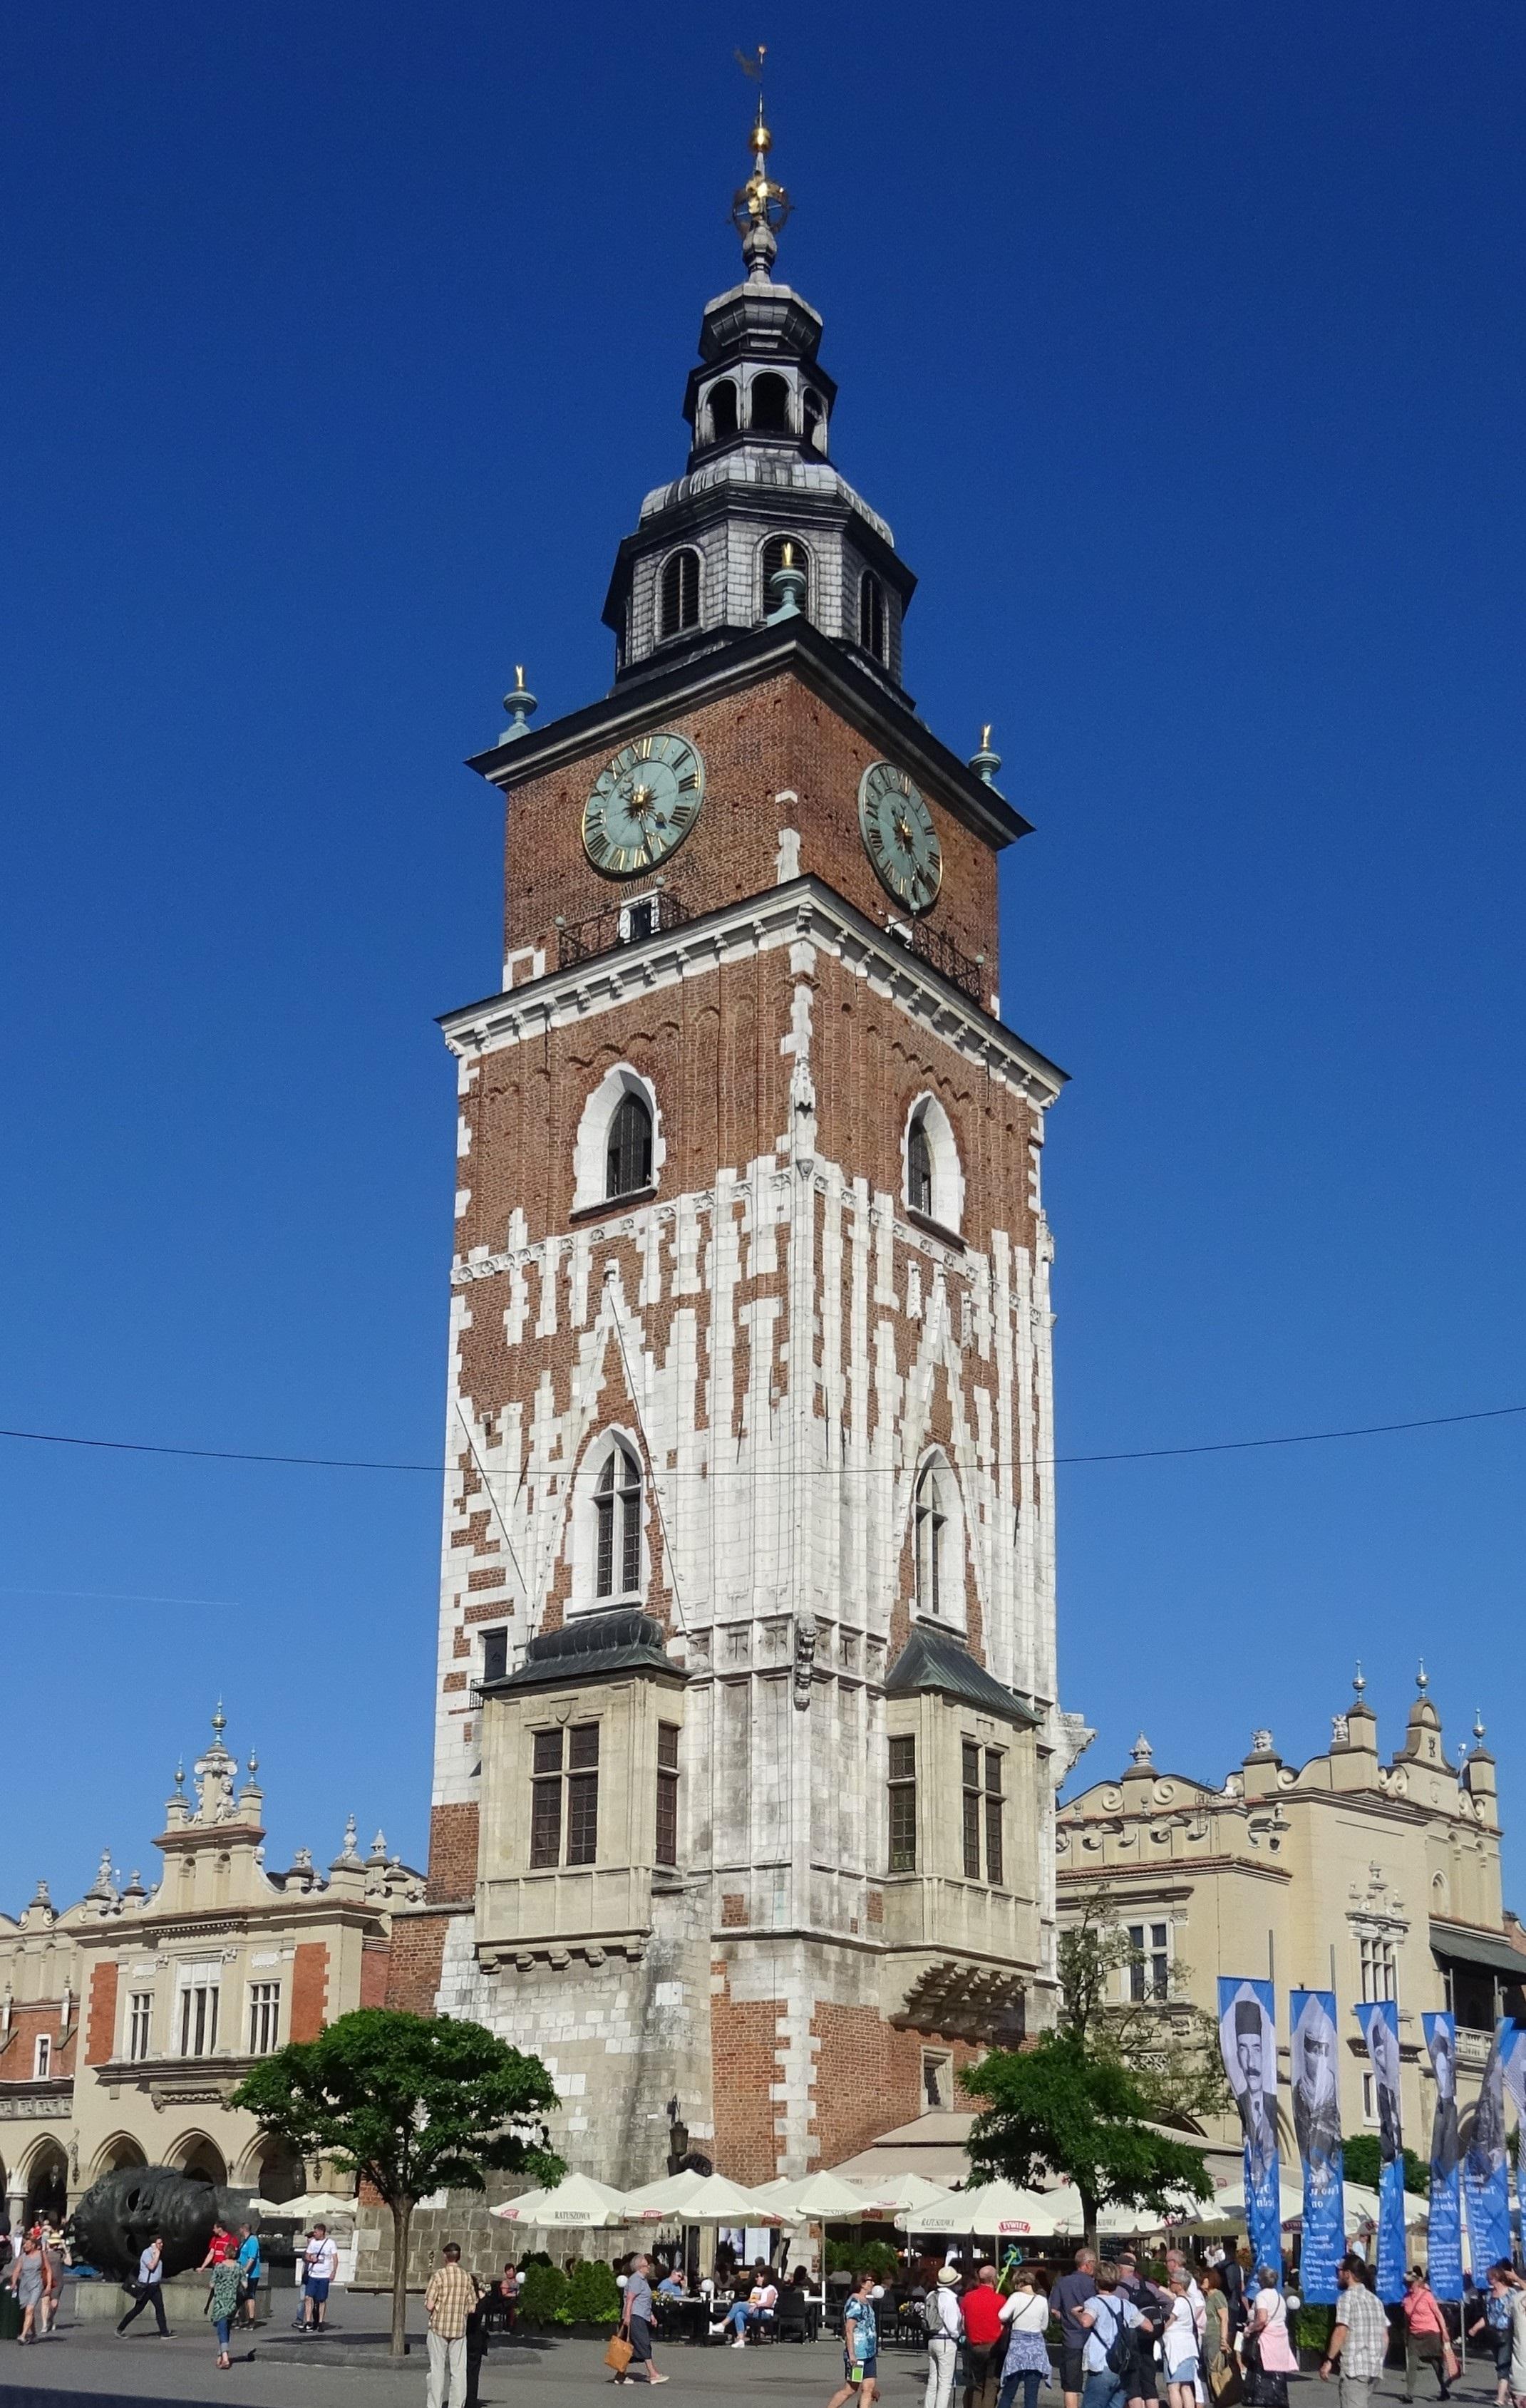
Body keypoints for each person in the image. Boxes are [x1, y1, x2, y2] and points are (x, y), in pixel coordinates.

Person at [1320, 2254, 1392, 2408]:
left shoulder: (1346, 2299)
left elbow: (1341, 2330)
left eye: (1338, 2270)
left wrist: (1329, 2360)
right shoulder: (1375, 2300)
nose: (1337, 2275)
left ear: (1348, 2274)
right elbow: (1385, 2336)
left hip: (1355, 2368)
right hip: (1374, 2368)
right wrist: (1379, 2359)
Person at [1076, 2263, 1145, 2408]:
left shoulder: (1094, 2303)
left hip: (1102, 2364)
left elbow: (1086, 2322)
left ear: (1096, 2282)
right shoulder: (1126, 2305)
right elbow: (1149, 2326)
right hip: (1122, 2366)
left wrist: (1076, 2313)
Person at [425, 2242, 477, 2408]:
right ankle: (456, 2405)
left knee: (437, 2369)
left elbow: (430, 2305)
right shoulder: (466, 2277)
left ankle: (435, 2405)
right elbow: (472, 2306)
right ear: (459, 2257)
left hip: (439, 2327)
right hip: (459, 2328)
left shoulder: (439, 2276)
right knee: (459, 2371)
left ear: (445, 2256)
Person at [996, 2265, 1051, 2408]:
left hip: (1018, 2350)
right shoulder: (1042, 2300)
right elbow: (1044, 2326)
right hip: (1036, 2350)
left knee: (1008, 2394)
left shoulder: (1016, 2297)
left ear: (1019, 2283)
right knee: (1031, 2396)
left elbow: (1002, 2315)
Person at [823, 2271, 880, 2408]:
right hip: (858, 2354)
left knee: (869, 2387)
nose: (873, 2283)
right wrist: (852, 2354)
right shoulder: (854, 2303)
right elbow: (849, 2330)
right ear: (861, 2283)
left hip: (870, 2353)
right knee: (851, 2389)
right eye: (870, 2280)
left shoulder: (866, 2301)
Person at [1053, 2247, 1100, 2408]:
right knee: (1095, 2384)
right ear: (1087, 2265)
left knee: (1071, 2387)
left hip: (1071, 2340)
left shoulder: (1062, 2282)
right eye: (1094, 2264)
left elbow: (1054, 2310)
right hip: (1093, 2340)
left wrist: (1065, 2317)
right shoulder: (1094, 2284)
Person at [1245, 2266, 1298, 2408]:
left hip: (1267, 2340)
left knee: (1264, 2377)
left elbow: (1262, 2319)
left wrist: (1250, 2328)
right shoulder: (1279, 2296)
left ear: (1261, 2281)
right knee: (1277, 2375)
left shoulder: (1262, 2296)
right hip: (1280, 2339)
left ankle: (1265, 2401)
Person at [1467, 2260, 1515, 2408]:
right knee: (1501, 2365)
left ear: (1498, 2277)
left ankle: (1500, 2399)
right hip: (1493, 2334)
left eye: (1491, 2278)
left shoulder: (1512, 2294)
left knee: (1503, 2366)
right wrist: (1475, 2328)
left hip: (1507, 2333)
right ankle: (1512, 2395)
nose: (1489, 2280)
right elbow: (1488, 2318)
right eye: (1488, 2278)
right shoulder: (1488, 2296)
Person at [1400, 2268, 1451, 2402]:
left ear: (1417, 2282)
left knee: (1435, 2363)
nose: (1408, 2286)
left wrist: (1444, 2332)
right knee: (1412, 2363)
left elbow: (1438, 2314)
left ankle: (1444, 2390)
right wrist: (1406, 2334)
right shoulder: (1406, 2298)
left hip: (1431, 2333)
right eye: (1406, 2284)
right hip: (1414, 2335)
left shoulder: (1427, 2296)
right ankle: (1409, 2394)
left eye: (1410, 2283)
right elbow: (1407, 2318)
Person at [962, 2263, 1007, 2408]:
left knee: (977, 2386)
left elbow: (964, 2323)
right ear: (994, 2280)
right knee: (991, 2386)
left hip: (975, 2346)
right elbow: (1004, 2324)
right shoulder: (1000, 2299)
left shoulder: (968, 2298)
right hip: (994, 2346)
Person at [116, 2230, 172, 2339]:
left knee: (159, 2308)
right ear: (154, 2244)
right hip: (147, 2286)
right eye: (159, 2243)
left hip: (155, 2286)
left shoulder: (157, 2253)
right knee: (137, 2309)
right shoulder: (147, 2253)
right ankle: (120, 2329)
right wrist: (156, 2256)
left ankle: (164, 2332)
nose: (162, 2245)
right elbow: (151, 2266)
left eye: (162, 2243)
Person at [1162, 2271, 1204, 2408]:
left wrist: (1159, 2329)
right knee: (1186, 2386)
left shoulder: (1178, 2303)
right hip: (1189, 2346)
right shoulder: (1191, 2300)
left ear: (1180, 2285)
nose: (1169, 2283)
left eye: (1172, 2282)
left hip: (1176, 2347)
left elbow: (1170, 2321)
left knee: (1173, 2387)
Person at [925, 2266, 964, 2408]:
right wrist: (959, 2334)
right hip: (946, 2340)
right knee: (945, 2383)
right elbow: (953, 2326)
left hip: (932, 2339)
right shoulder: (949, 2298)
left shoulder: (931, 2295)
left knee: (933, 2381)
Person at [6, 2231, 47, 2345]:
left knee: (30, 2310)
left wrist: (48, 2287)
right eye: (24, 2244)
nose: (25, 2246)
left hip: (36, 2284)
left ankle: (23, 2336)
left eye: (27, 2244)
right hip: (25, 2285)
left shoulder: (41, 2254)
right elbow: (16, 2271)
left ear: (33, 2245)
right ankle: (34, 2334)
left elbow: (48, 2270)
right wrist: (14, 2283)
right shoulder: (23, 2257)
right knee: (29, 2311)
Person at [207, 2248, 242, 2371]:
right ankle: (220, 2356)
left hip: (221, 2302)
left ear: (225, 2254)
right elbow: (245, 2284)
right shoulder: (238, 2267)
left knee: (222, 2329)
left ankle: (226, 2357)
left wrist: (220, 2283)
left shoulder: (219, 2267)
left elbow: (211, 2284)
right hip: (232, 2302)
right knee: (226, 2328)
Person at [302, 2221, 339, 2332]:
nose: (314, 2234)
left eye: (316, 2232)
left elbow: (335, 2259)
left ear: (322, 2232)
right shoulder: (313, 2243)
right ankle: (308, 2321)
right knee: (308, 2297)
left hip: (324, 2275)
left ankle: (321, 2321)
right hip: (313, 2274)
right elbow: (307, 2255)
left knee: (321, 2299)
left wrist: (333, 2272)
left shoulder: (330, 2243)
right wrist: (310, 2259)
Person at [1200, 2267, 1229, 2397]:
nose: (1201, 2282)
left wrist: (1223, 2339)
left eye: (1204, 2279)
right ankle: (1214, 2397)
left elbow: (1224, 2318)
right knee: (1209, 2368)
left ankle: (1221, 2397)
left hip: (1215, 2336)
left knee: (1215, 2369)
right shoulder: (1206, 2297)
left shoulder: (1217, 2295)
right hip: (1206, 2336)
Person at [237, 2221, 262, 2329]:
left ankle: (251, 2320)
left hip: (251, 2274)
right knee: (241, 2295)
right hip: (243, 2272)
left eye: (240, 2229)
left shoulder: (253, 2240)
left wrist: (245, 2271)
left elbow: (251, 2258)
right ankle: (238, 2318)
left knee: (250, 2295)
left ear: (243, 2229)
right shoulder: (244, 2241)